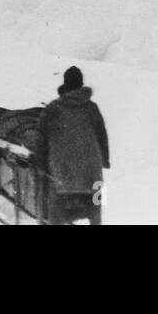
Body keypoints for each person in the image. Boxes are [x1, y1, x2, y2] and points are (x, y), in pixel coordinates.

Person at [36, 66, 110, 225]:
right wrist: (105, 161)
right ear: (81, 84)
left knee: (56, 212)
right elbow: (102, 135)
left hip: (63, 175)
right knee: (97, 205)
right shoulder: (92, 107)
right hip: (93, 175)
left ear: (65, 84)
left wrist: (41, 166)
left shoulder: (52, 108)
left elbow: (40, 138)